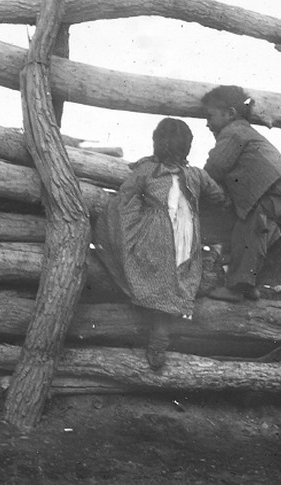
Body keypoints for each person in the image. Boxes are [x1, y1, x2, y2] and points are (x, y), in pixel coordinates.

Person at [93, 118, 228, 371]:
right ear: (187, 147)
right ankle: (161, 332)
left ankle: (159, 333)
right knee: (174, 279)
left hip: (157, 233)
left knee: (153, 272)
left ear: (156, 145)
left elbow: (125, 195)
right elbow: (219, 196)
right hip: (186, 236)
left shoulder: (146, 172)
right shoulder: (197, 175)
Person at [201, 85, 281, 302]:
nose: (207, 123)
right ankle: (254, 287)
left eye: (210, 116)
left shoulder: (233, 131)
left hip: (270, 188)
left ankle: (238, 288)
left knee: (249, 230)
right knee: (267, 237)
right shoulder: (247, 131)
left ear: (230, 113)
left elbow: (214, 168)